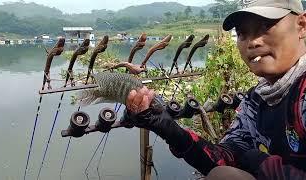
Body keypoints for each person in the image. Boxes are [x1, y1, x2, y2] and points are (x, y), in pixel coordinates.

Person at [123, 0, 306, 179]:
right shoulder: (255, 100)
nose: (252, 42)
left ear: (302, 26)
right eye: (242, 33)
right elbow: (224, 160)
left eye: (266, 26)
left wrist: (261, 164)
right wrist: (165, 126)